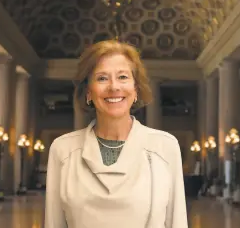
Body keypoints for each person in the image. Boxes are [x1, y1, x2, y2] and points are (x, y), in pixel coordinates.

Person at [44, 40, 188, 228]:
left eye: (122, 77)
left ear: (135, 89)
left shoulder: (165, 146)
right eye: (102, 78)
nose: (114, 87)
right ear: (88, 91)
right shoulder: (62, 150)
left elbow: (176, 222)